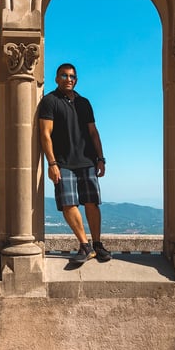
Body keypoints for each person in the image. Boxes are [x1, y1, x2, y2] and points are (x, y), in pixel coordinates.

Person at [38, 63, 111, 263]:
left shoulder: (84, 103)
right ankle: (84, 245)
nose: (68, 79)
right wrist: (51, 163)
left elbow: (93, 132)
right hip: (63, 163)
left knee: (92, 203)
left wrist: (101, 158)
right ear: (56, 79)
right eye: (64, 75)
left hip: (87, 161)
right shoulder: (49, 101)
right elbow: (45, 134)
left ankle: (97, 244)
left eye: (71, 76)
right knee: (68, 204)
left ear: (76, 80)